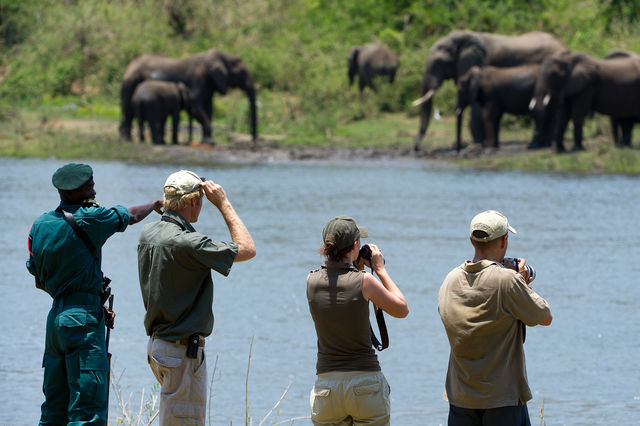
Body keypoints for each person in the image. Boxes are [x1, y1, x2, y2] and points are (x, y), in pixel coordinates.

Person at [26, 162, 163, 425]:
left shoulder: (40, 225)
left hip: (55, 321)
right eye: (89, 187)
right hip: (83, 321)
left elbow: (38, 279)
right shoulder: (90, 218)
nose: (94, 190)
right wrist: (155, 203)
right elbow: (129, 216)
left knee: (54, 409)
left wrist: (70, 293)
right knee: (86, 411)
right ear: (73, 192)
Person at [137, 169, 256, 425]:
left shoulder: (148, 233)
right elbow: (248, 249)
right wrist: (223, 204)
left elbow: (166, 219)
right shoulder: (190, 243)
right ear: (193, 201)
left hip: (158, 347)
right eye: (199, 200)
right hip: (181, 352)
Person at [438, 210, 553, 426]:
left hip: (460, 396)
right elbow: (544, 316)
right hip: (503, 399)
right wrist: (522, 282)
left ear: (472, 240)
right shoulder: (507, 281)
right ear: (504, 241)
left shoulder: (450, 279)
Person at [307, 216, 409, 426]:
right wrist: (379, 269)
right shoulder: (365, 281)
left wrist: (356, 267)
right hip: (365, 386)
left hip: (327, 389)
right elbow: (401, 309)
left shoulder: (311, 281)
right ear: (356, 245)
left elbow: (342, 294)